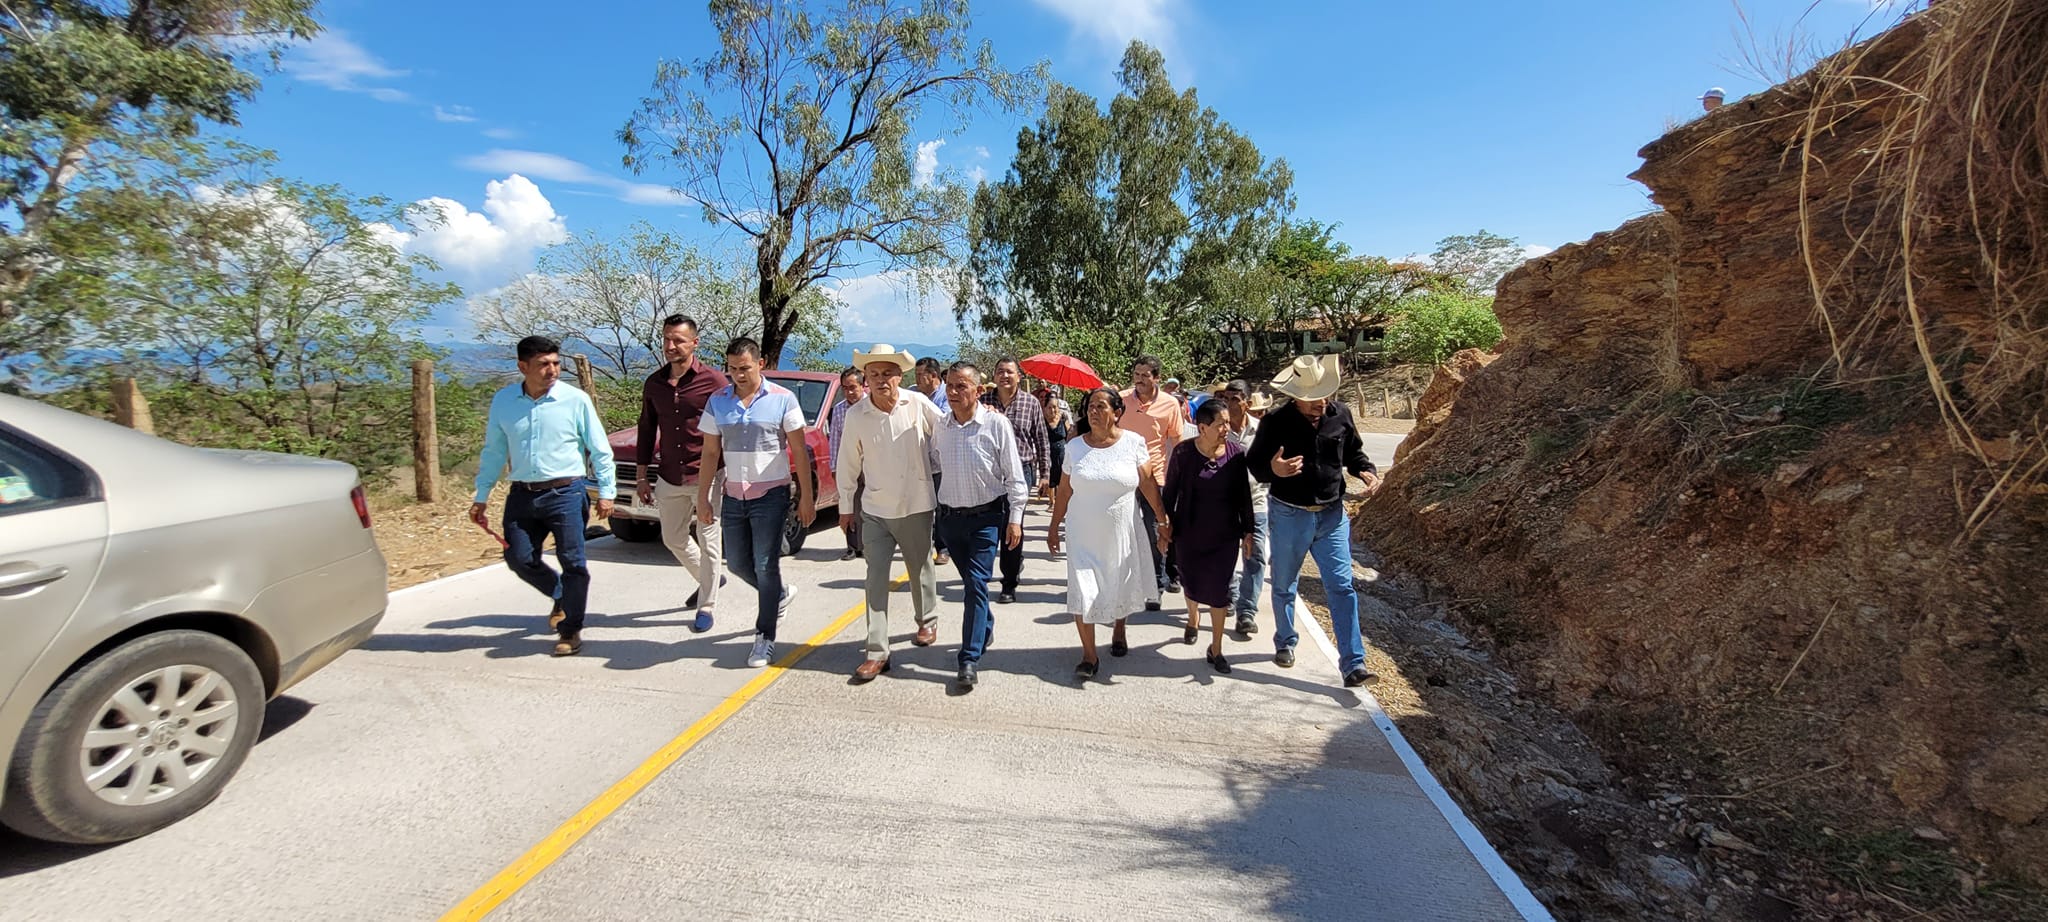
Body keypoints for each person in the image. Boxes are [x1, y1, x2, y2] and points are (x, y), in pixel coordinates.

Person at [470, 335, 617, 657]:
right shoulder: (504, 402)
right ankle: (561, 594)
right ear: (523, 366)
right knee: (519, 557)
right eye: (543, 364)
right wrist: (481, 494)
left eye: (555, 363)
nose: (552, 370)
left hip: (566, 492)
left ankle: (571, 630)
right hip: (522, 495)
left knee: (573, 562)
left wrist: (607, 492)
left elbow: (600, 448)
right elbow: (494, 450)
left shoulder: (575, 400)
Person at [1246, 355, 1383, 687]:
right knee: (1284, 584)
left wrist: (1367, 472)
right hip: (1289, 514)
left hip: (1332, 517)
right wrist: (1274, 471)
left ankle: (1354, 664)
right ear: (1295, 396)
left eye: (1325, 394)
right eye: (1312, 397)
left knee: (1341, 586)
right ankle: (1286, 641)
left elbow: (1354, 455)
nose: (1320, 402)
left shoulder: (1341, 416)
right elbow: (1255, 464)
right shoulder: (1276, 422)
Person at [696, 338, 815, 669]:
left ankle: (765, 637)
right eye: (732, 369)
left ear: (760, 363)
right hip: (734, 494)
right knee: (735, 563)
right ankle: (777, 594)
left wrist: (806, 496)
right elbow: (709, 453)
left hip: (772, 495)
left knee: (766, 564)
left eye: (744, 368)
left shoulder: (782, 399)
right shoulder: (717, 401)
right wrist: (703, 495)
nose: (738, 375)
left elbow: (800, 452)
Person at [836, 345, 944, 682]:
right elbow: (847, 465)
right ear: (865, 378)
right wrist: (844, 507)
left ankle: (926, 620)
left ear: (900, 376)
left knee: (920, 567)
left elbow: (947, 434)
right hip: (876, 510)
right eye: (874, 374)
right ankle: (876, 651)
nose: (881, 380)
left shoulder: (918, 404)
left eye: (887, 373)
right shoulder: (857, 415)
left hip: (916, 504)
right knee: (875, 578)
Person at [1048, 387, 1168, 681]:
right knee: (1082, 589)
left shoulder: (1134, 443)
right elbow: (1064, 491)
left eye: (1101, 407)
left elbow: (1148, 485)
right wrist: (1053, 526)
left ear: (1117, 413)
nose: (1093, 411)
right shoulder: (1075, 447)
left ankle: (1118, 628)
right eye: (1090, 406)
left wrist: (1163, 520)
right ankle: (1089, 655)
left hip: (1121, 531)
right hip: (1082, 533)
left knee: (1118, 584)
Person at [931, 361, 1027, 691]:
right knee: (975, 587)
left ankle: (968, 658)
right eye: (950, 386)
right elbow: (932, 464)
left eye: (962, 386)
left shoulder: (996, 424)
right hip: (950, 521)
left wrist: (1015, 520)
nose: (954, 392)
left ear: (978, 390)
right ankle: (984, 625)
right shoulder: (940, 426)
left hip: (987, 519)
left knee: (976, 583)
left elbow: (1015, 478)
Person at [634, 315, 730, 634]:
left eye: (678, 340)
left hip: (707, 475)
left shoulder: (715, 382)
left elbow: (730, 427)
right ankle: (710, 578)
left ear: (694, 343)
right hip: (670, 474)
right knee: (673, 538)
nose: (670, 346)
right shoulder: (654, 383)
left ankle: (707, 605)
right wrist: (642, 474)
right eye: (666, 339)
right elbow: (647, 429)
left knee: (709, 540)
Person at [1165, 400, 1255, 674]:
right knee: (1190, 581)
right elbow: (1170, 494)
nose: (1227, 428)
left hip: (1224, 535)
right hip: (1189, 531)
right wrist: (1164, 526)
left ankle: (1216, 648)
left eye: (1227, 423)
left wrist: (1248, 531)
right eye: (1220, 424)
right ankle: (1193, 617)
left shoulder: (1236, 454)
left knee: (1220, 591)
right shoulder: (1183, 453)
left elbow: (1244, 496)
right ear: (1202, 427)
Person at [982, 357, 1050, 604]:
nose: (1005, 376)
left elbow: (1041, 440)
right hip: (991, 472)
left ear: (1019, 377)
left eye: (1009, 372)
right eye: (1000, 371)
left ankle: (1008, 583)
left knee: (1013, 524)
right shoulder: (984, 402)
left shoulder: (1030, 403)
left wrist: (1045, 475)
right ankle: (988, 572)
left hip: (1021, 470)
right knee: (992, 524)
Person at [1120, 354, 1186, 607]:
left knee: (1154, 531)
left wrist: (1178, 478)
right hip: (1122, 476)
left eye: (1145, 375)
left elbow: (1177, 443)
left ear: (1157, 378)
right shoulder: (1123, 400)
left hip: (1155, 477)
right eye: (1136, 375)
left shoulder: (1170, 404)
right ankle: (1125, 583)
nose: (1139, 380)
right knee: (1123, 531)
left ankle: (1155, 586)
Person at [1218, 379, 1268, 637]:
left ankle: (1247, 611)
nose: (1229, 404)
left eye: (1235, 399)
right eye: (1226, 398)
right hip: (1223, 503)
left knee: (1256, 555)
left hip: (1256, 502)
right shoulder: (1217, 430)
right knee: (1223, 555)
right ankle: (1230, 592)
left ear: (1248, 403)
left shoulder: (1263, 430)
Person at [827, 365, 866, 561]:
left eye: (853, 387)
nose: (849, 392)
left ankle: (866, 545)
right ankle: (852, 546)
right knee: (848, 504)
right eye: (845, 388)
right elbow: (834, 439)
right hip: (848, 464)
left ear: (862, 386)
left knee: (868, 506)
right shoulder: (840, 410)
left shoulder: (871, 406)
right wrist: (834, 466)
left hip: (870, 465)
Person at [915, 355, 950, 567]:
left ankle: (943, 548)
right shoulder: (913, 394)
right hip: (918, 460)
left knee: (940, 508)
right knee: (921, 507)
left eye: (921, 375)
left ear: (934, 376)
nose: (917, 379)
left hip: (941, 461)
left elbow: (943, 422)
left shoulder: (947, 395)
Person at [1036, 386, 1072, 499]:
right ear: (1045, 407)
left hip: (1062, 451)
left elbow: (1069, 434)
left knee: (1062, 476)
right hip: (1048, 451)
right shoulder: (1041, 419)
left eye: (1055, 407)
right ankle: (1052, 501)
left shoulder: (1063, 417)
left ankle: (1060, 498)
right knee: (1051, 476)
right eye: (1050, 407)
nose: (1053, 410)